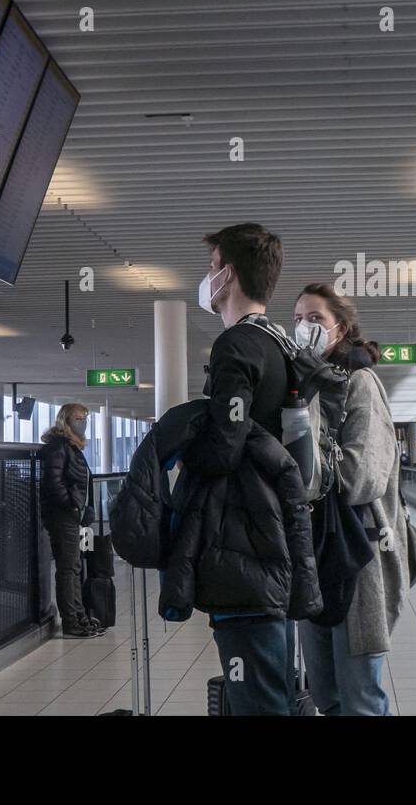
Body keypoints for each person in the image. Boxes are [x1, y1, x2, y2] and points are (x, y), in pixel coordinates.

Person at [181, 222, 309, 712]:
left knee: (256, 693)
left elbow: (224, 448)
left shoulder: (236, 345)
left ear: (227, 274)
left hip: (244, 545)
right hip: (278, 536)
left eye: (211, 267)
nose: (207, 277)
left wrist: (185, 446)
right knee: (270, 683)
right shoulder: (280, 342)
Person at [293, 283, 408, 715]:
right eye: (299, 318)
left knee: (360, 696)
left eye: (316, 318)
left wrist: (306, 460)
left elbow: (362, 478)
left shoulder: (360, 383)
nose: (305, 327)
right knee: (326, 696)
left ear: (340, 328)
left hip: (358, 554)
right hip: (314, 553)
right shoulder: (303, 387)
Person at [40, 403, 100, 639]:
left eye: (85, 417)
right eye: (78, 418)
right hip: (63, 516)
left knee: (74, 567)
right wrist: (73, 506)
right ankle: (72, 621)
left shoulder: (72, 447)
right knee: (68, 569)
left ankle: (79, 616)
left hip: (72, 516)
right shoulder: (59, 447)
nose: (82, 422)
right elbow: (53, 482)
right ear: (65, 420)